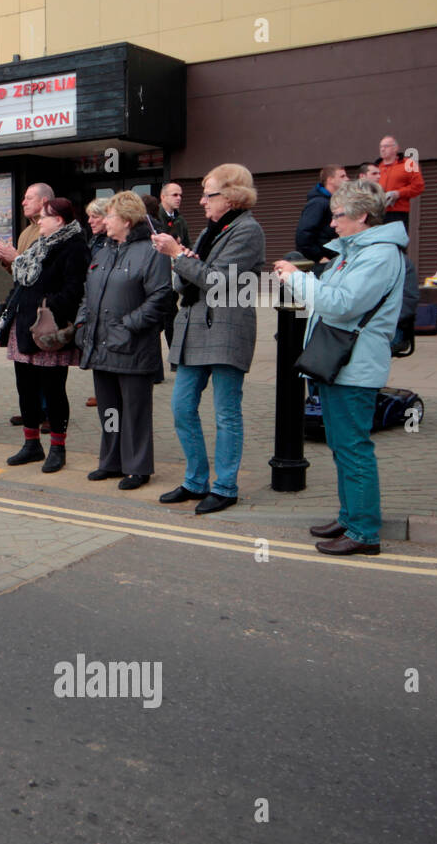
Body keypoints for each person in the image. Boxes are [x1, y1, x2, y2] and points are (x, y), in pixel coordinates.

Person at [274, 180, 405, 556]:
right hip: (340, 364)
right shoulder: (356, 251)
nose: (332, 224)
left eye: (338, 216)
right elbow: (330, 296)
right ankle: (350, 518)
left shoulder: (378, 255)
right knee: (342, 446)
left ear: (362, 216)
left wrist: (297, 279)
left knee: (353, 448)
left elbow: (341, 304)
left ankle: (364, 532)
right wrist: (303, 278)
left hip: (354, 367)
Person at [152, 163, 266, 514]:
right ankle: (196, 480)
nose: (201, 201)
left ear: (231, 197)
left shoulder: (248, 231)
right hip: (195, 329)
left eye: (208, 194)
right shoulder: (211, 229)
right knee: (182, 407)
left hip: (227, 329)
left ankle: (226, 486)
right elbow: (192, 278)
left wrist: (177, 256)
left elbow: (218, 279)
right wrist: (181, 260)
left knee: (226, 413)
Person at [75, 191, 175, 490]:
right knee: (109, 408)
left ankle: (138, 466)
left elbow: (161, 296)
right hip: (99, 342)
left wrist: (129, 325)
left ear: (127, 220)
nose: (104, 221)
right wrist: (82, 322)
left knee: (134, 410)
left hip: (133, 345)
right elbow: (87, 290)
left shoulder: (151, 251)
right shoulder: (103, 249)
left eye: (110, 216)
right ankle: (111, 461)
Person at [2, 198, 89, 473]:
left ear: (59, 220)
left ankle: (57, 448)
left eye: (44, 217)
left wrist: (47, 307)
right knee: (25, 387)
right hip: (24, 325)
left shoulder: (74, 246)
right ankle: (31, 445)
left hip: (49, 328)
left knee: (53, 390)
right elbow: (22, 281)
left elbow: (74, 290)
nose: (39, 221)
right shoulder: (40, 244)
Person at [0, 183, 53, 270]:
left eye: (29, 198)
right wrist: (6, 257)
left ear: (44, 201)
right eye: (24, 199)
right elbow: (21, 275)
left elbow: (47, 271)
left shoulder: (53, 229)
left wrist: (16, 258)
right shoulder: (24, 233)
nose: (23, 203)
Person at [295, 165, 349, 263]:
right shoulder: (318, 203)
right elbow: (304, 233)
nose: (347, 179)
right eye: (342, 176)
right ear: (330, 179)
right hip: (323, 261)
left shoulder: (333, 202)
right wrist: (319, 257)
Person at [376, 135, 424, 227]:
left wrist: (398, 193)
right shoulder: (376, 166)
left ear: (395, 148)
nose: (382, 149)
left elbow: (418, 186)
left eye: (386, 146)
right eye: (381, 147)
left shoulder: (408, 164)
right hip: (377, 212)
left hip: (398, 211)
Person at [155, 183, 190, 247]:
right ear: (163, 197)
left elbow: (187, 245)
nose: (179, 198)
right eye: (175, 195)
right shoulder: (155, 217)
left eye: (180, 195)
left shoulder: (180, 219)